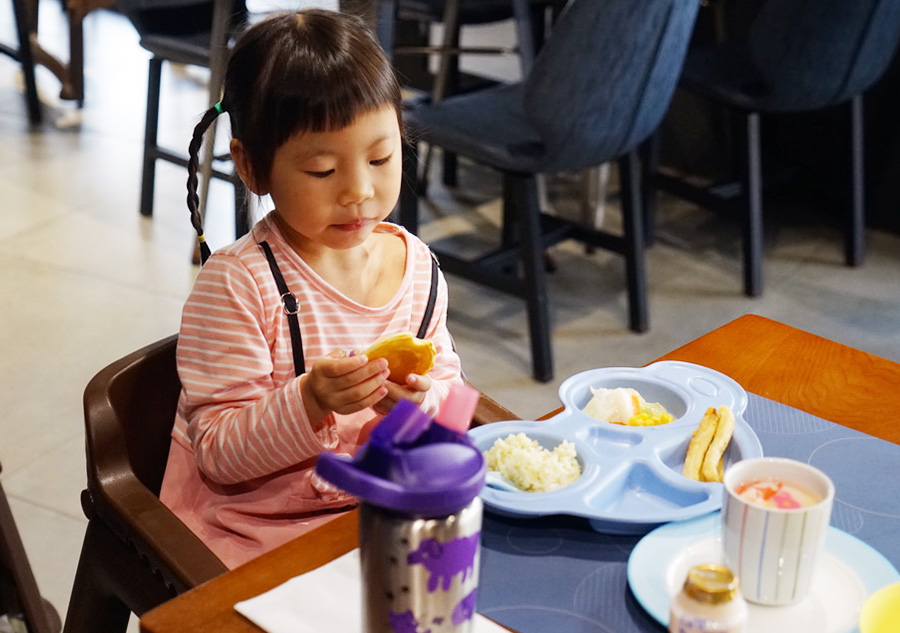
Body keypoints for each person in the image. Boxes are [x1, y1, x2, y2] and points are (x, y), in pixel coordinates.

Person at [159, 8, 463, 569]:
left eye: (380, 157)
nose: (358, 191)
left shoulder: (416, 268)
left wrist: (426, 404)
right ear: (252, 168)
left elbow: (447, 383)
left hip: (380, 509)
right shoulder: (238, 286)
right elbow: (218, 453)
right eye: (322, 171)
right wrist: (309, 400)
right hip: (255, 532)